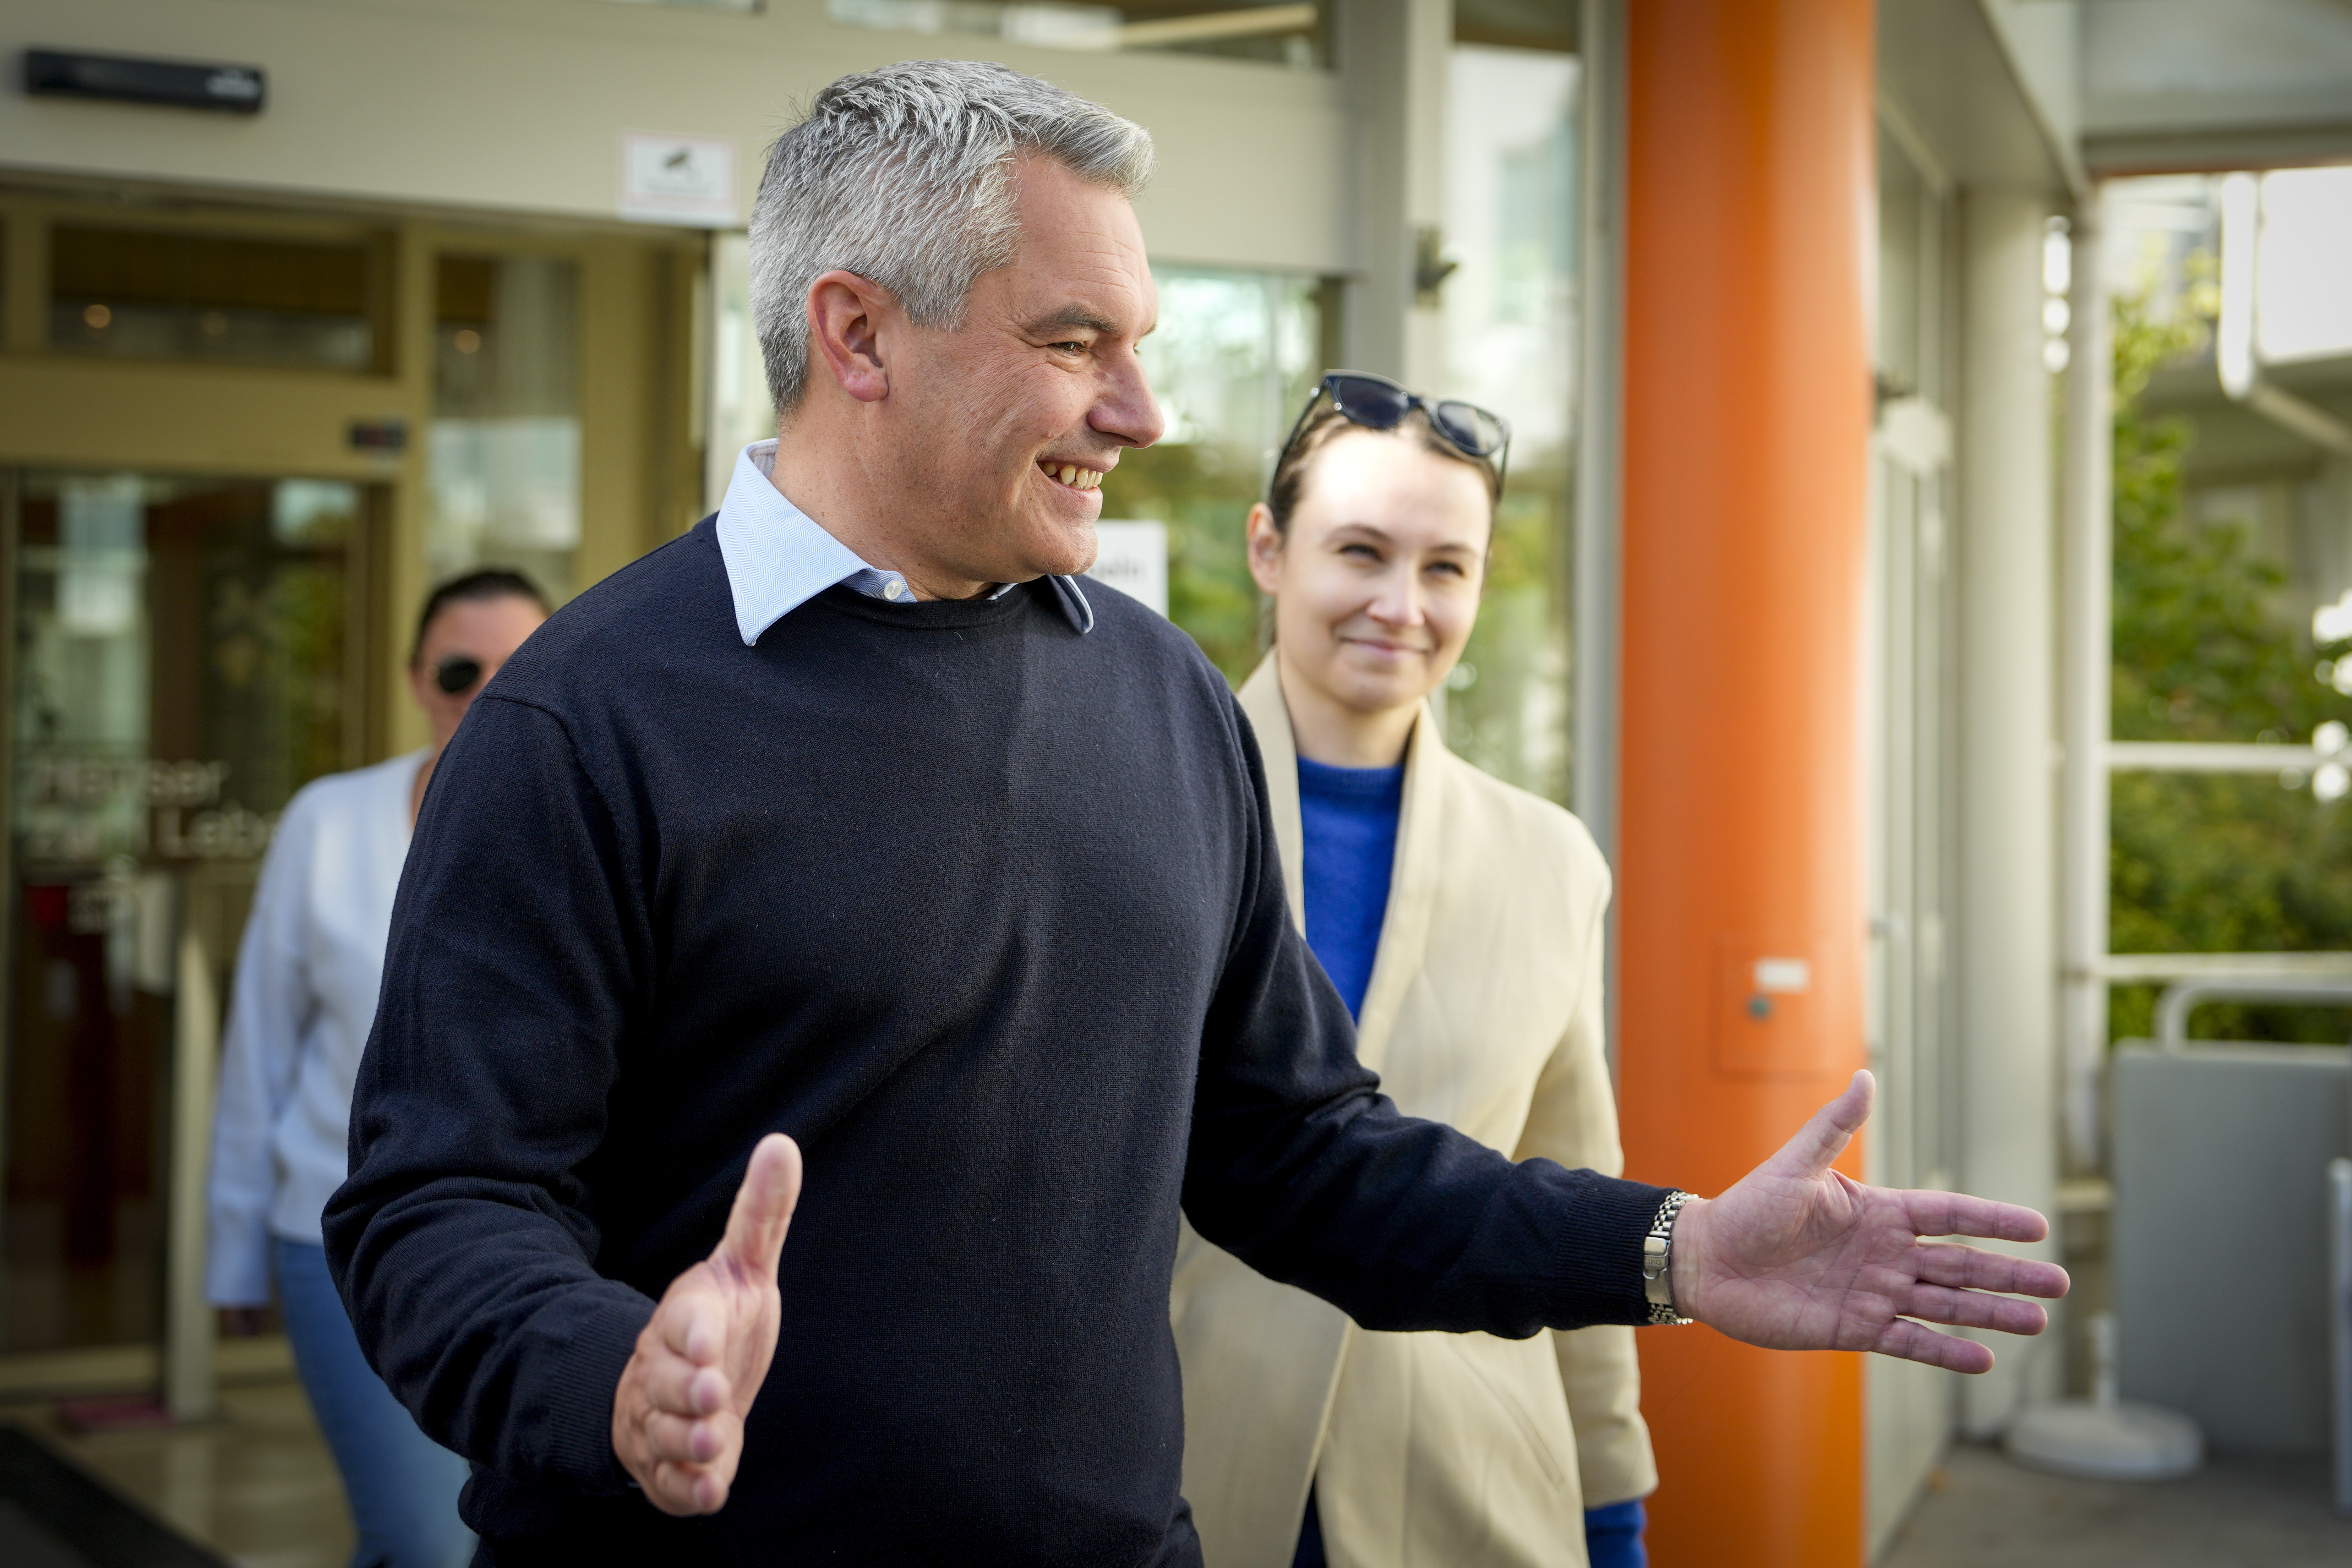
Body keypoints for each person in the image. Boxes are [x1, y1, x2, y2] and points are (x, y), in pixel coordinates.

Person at [323, 62, 2065, 1567]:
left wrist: (1670, 1247)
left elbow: (1304, 1155)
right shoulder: (582, 718)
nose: (1141, 416)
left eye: (1138, 347)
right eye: (1074, 343)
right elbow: (434, 1206)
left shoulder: (1151, 694)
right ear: (856, 332)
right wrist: (607, 1369)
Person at [1172, 377, 1654, 1568]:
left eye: (1447, 567)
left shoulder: (1551, 863)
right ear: (1268, 548)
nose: (1403, 604)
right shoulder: (1138, 814)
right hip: (1181, 1460)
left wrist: (1611, 1508)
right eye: (1361, 551)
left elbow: (1570, 1178)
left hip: (1467, 1484)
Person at [207, 569, 549, 1568]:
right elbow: (260, 1049)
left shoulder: (587, 823)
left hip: (535, 1251)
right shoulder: (326, 821)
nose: (485, 693)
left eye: (516, 665)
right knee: (420, 1536)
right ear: (414, 679)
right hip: (337, 1241)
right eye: (458, 669)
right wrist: (232, 1247)